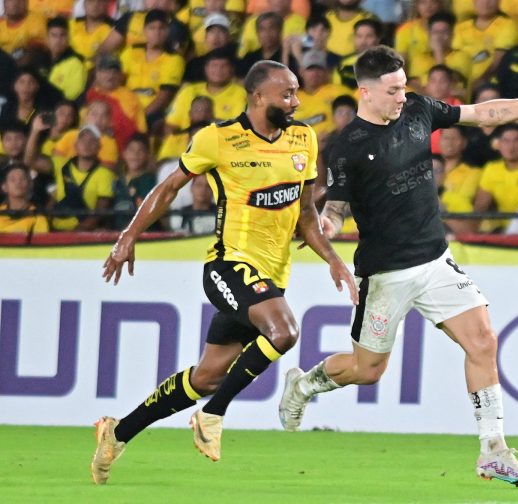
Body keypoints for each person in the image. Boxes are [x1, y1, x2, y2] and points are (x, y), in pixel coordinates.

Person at [276, 45, 518, 487]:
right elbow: (338, 206)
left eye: (404, 87)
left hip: (435, 260)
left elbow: (482, 113)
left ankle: (493, 451)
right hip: (385, 274)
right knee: (367, 370)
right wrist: (325, 223)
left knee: (482, 341)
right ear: (365, 91)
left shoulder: (419, 109)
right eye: (393, 90)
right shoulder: (347, 145)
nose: (403, 96)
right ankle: (304, 385)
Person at [91, 60, 358, 485]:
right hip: (227, 264)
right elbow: (169, 188)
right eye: (286, 93)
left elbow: (306, 213)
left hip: (271, 276)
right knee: (285, 332)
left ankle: (116, 433)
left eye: (296, 92)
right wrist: (128, 236)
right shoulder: (219, 139)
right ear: (258, 97)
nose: (296, 101)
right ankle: (213, 416)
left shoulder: (303, 139)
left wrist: (334, 258)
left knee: (207, 376)